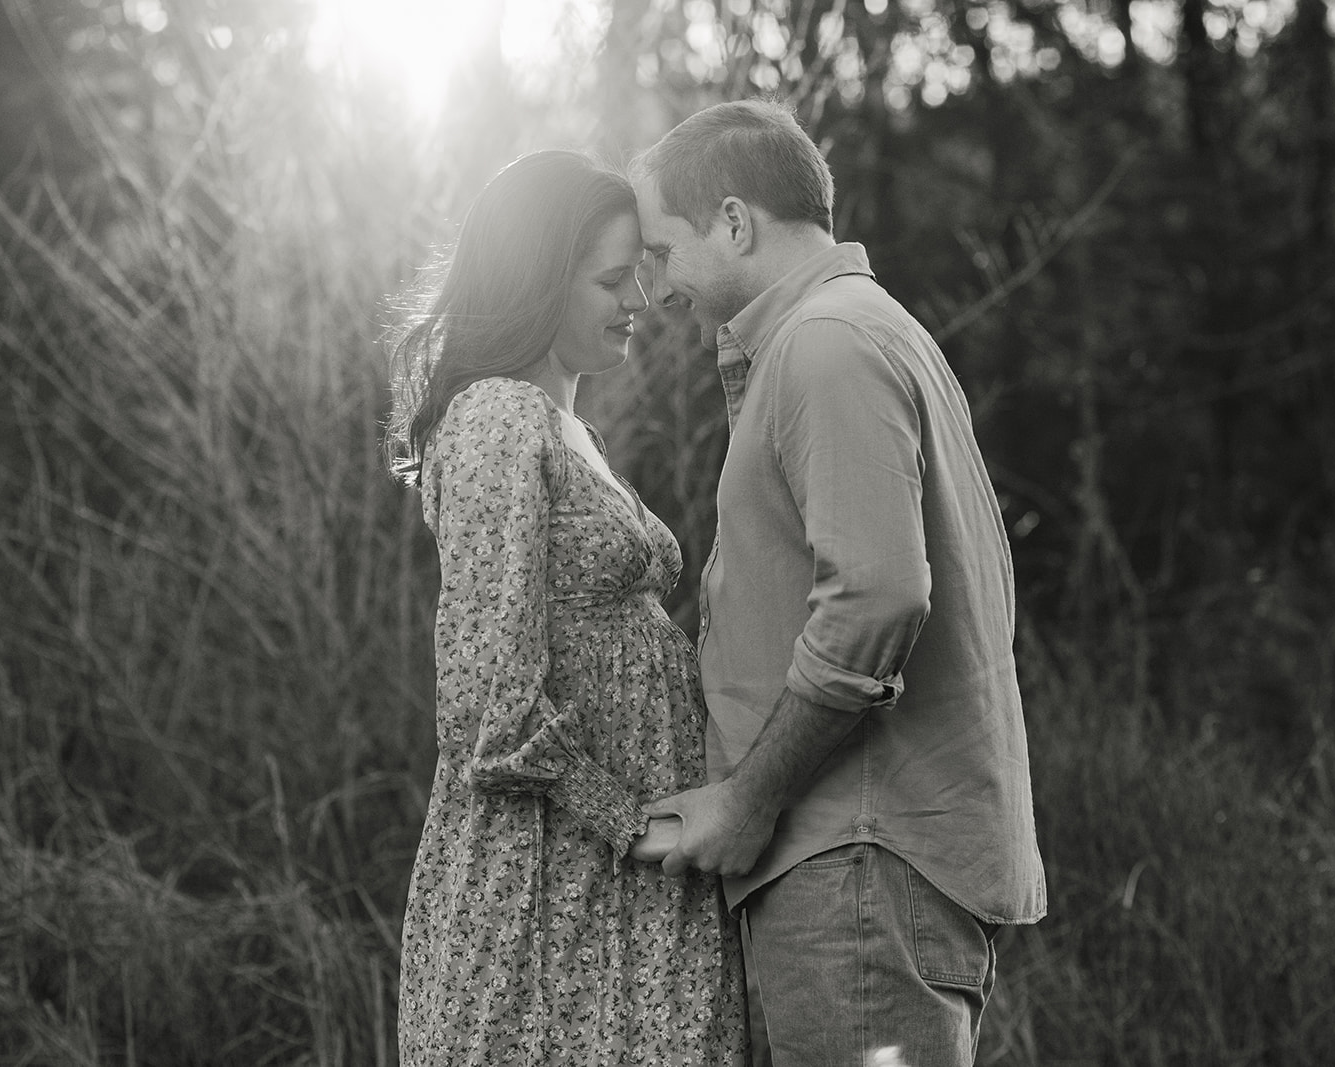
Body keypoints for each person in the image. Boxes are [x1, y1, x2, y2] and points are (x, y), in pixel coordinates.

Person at [631, 100, 1048, 1065]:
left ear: (734, 222)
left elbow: (876, 596)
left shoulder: (828, 344)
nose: (653, 292)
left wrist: (747, 799)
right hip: (858, 864)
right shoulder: (857, 333)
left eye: (661, 251)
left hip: (858, 861)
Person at [387, 149, 747, 1067]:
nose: (636, 299)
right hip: (550, 891)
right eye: (609, 278)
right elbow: (487, 704)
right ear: (541, 279)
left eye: (636, 273)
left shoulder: (566, 428)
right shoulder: (499, 419)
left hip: (621, 884)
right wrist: (630, 822)